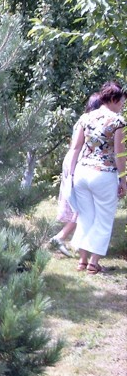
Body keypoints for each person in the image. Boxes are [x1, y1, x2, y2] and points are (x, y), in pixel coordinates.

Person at [66, 81, 127, 274]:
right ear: (114, 99)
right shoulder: (118, 122)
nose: (123, 106)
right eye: (122, 102)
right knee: (104, 218)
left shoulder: (86, 117)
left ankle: (82, 261)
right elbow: (119, 154)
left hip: (82, 172)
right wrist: (123, 179)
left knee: (85, 217)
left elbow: (75, 148)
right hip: (104, 174)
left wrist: (70, 174)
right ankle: (93, 263)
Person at [49, 92, 102, 256]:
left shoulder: (83, 119)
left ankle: (72, 240)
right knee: (82, 207)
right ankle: (61, 237)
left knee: (81, 206)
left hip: (73, 160)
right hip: (77, 162)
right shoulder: (90, 121)